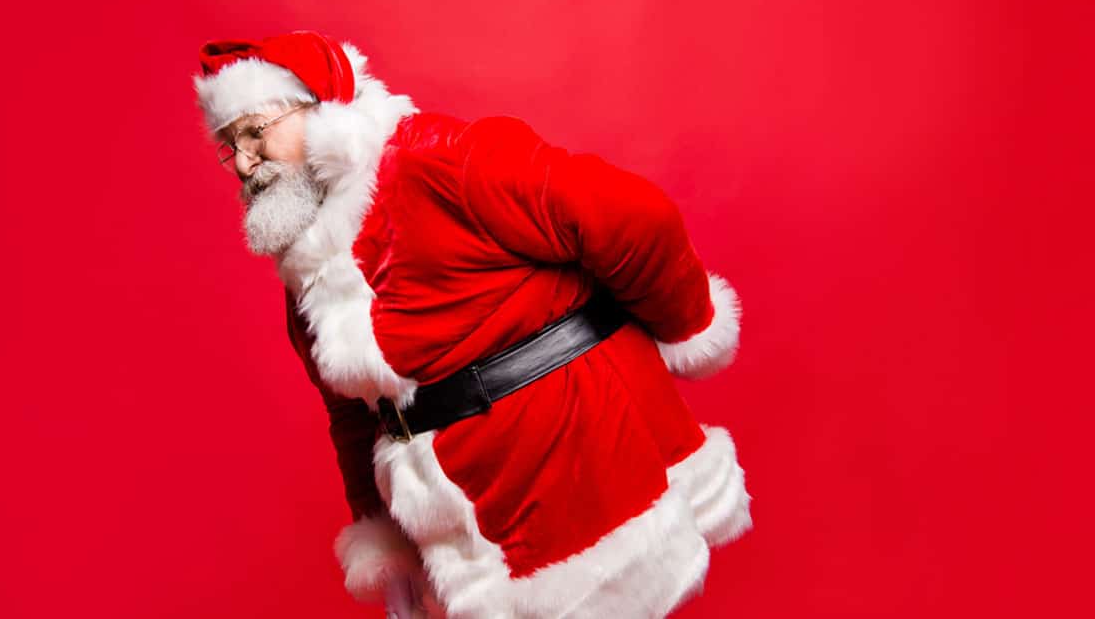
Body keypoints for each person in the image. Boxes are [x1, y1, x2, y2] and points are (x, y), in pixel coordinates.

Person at [193, 30, 752, 619]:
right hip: (463, 528)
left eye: (257, 132)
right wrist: (383, 535)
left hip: (586, 475)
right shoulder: (306, 266)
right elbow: (352, 414)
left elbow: (633, 216)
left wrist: (690, 328)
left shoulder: (433, 158)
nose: (247, 163)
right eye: (230, 147)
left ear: (326, 106)